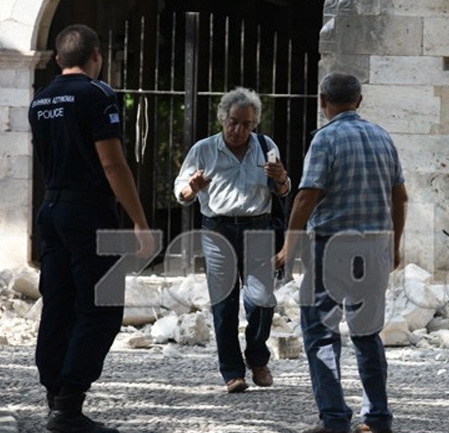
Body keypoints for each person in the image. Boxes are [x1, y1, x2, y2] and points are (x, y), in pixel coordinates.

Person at [28, 24, 155, 433]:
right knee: (100, 311)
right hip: (88, 215)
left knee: (58, 305)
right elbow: (112, 163)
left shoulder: (40, 100)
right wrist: (138, 219)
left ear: (60, 58)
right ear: (95, 56)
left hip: (52, 209)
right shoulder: (99, 95)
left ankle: (55, 399)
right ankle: (68, 406)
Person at [274, 72, 408, 433]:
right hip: (375, 245)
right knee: (367, 333)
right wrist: (394, 245)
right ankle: (378, 417)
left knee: (320, 331)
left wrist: (290, 243)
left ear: (322, 101)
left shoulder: (325, 139)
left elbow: (306, 195)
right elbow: (400, 195)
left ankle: (334, 418)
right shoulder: (383, 137)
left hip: (332, 246)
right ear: (359, 101)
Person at [174, 87, 290, 393]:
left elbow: (284, 191)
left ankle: (257, 358)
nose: (239, 130)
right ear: (223, 118)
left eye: (247, 124)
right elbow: (181, 193)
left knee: (262, 299)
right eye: (234, 122)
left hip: (258, 228)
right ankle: (232, 371)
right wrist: (193, 188)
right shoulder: (203, 149)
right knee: (224, 303)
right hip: (218, 230)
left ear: (255, 124)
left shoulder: (266, 147)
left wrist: (281, 178)